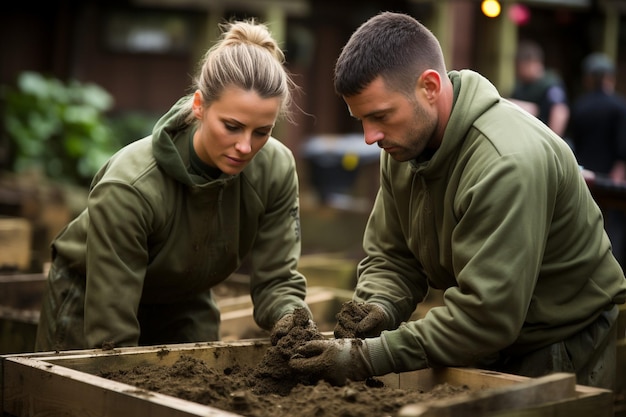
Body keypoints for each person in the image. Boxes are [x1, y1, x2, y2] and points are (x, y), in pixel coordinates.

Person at [289, 12, 626, 389]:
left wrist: (368, 357)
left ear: (429, 87)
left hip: (560, 344)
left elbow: (486, 318)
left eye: (380, 116)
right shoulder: (403, 146)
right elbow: (392, 257)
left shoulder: (505, 162)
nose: (370, 137)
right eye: (361, 120)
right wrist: (375, 310)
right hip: (489, 336)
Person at [35, 19, 311, 351]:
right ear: (199, 106)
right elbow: (112, 334)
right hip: (92, 293)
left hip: (183, 296)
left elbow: (278, 280)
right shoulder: (130, 187)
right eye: (232, 126)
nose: (245, 146)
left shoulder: (275, 169)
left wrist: (293, 324)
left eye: (261, 132)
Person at [568, 52, 626, 266]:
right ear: (609, 78)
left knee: (586, 226)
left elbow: (573, 144)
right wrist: (617, 178)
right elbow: (623, 147)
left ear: (589, 79)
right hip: (612, 180)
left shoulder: (581, 106)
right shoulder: (619, 106)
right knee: (613, 229)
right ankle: (614, 269)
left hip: (586, 179)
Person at [509, 40, 570, 137]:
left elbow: (559, 112)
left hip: (543, 139)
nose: (517, 70)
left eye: (519, 66)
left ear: (531, 62)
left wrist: (552, 142)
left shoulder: (550, 84)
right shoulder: (521, 86)